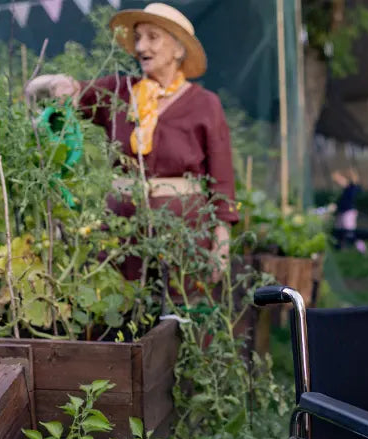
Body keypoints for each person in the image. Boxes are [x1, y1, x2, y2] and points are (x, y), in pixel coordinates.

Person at [24, 2, 235, 287]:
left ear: (178, 49)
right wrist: (57, 83)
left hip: (182, 230)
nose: (141, 46)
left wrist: (220, 247)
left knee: (177, 313)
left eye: (152, 37)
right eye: (137, 38)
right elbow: (37, 90)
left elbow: (222, 182)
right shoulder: (118, 90)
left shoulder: (205, 105)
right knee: (114, 307)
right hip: (120, 228)